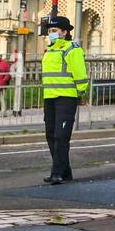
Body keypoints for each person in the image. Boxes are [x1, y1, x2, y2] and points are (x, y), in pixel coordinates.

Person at [41, 15, 88, 185]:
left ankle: (57, 173)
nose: (51, 34)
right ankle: (65, 171)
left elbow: (80, 74)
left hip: (66, 98)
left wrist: (81, 94)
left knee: (61, 137)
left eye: (54, 31)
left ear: (64, 32)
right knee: (51, 135)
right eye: (49, 31)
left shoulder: (72, 49)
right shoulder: (51, 50)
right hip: (50, 98)